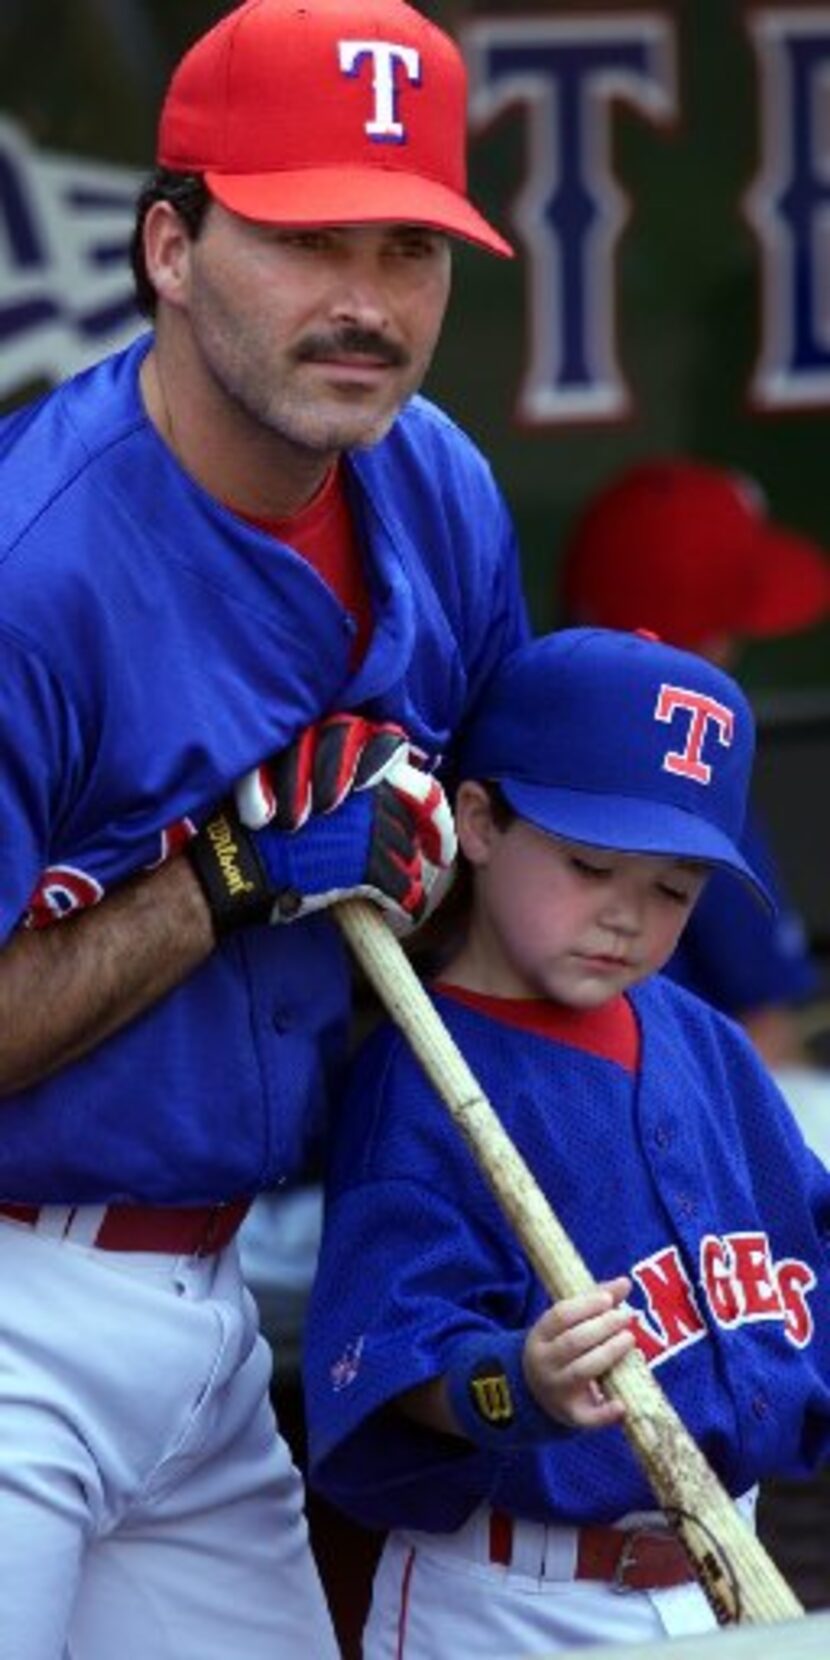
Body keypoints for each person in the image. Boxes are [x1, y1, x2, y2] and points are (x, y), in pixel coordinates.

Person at [0, 2, 529, 1656]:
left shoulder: (435, 490)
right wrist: (219, 885)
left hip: (217, 1300)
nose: (367, 305)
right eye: (306, 241)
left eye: (411, 248)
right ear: (171, 243)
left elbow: (483, 876)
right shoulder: (36, 564)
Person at [303, 627, 830, 1658]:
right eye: (590, 865)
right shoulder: (419, 1071)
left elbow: (805, 1258)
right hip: (517, 1593)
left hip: (735, 1568)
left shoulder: (707, 1045)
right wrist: (516, 1381)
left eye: (673, 889)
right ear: (480, 820)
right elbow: (390, 1357)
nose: (627, 918)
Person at [559, 457, 830, 1073]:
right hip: (677, 1100)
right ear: (713, 642)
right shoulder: (693, 766)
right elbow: (767, 1029)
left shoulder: (521, 731)